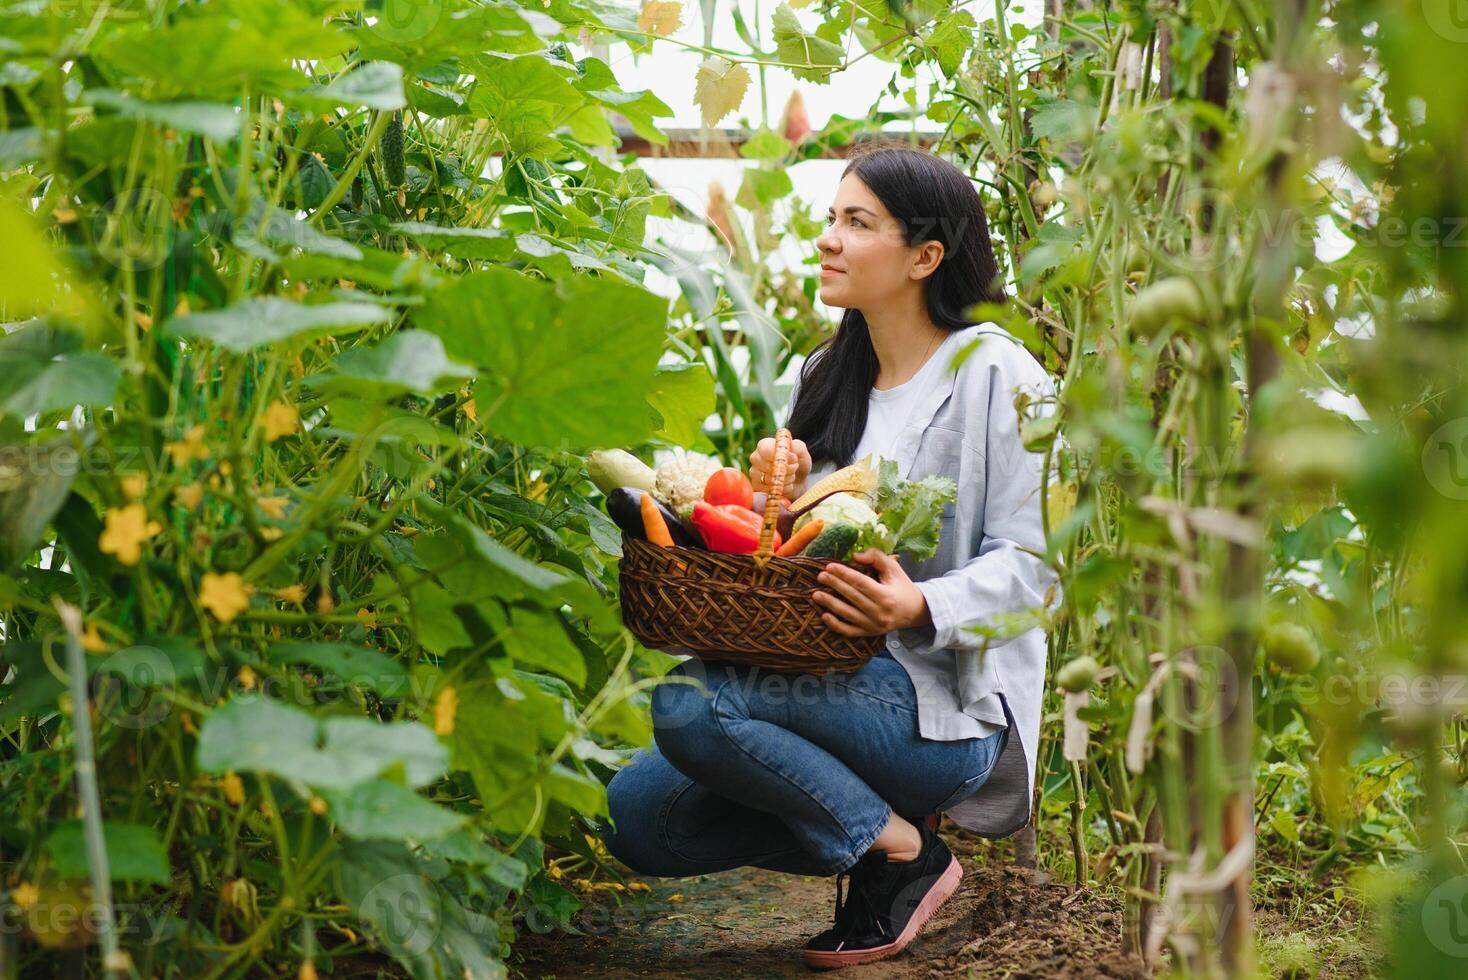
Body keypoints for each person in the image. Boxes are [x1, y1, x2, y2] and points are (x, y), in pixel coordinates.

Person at [596, 140, 1058, 970]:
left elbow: (1037, 567)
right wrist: (783, 491)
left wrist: (921, 606)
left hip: (937, 710)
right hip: (820, 683)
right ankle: (888, 841)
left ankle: (905, 859)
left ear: (926, 256)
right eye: (830, 218)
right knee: (638, 817)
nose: (828, 239)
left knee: (692, 706)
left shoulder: (1004, 376)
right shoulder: (827, 372)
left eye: (857, 222)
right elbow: (783, 564)